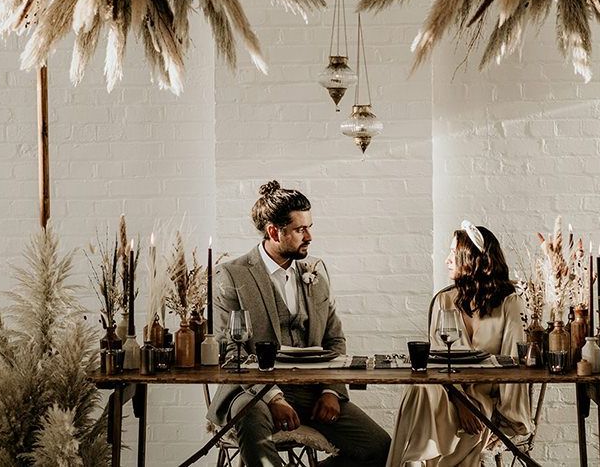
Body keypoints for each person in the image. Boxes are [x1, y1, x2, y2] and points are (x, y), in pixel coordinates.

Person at [208, 180, 391, 467]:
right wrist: (274, 397)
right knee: (249, 416)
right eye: (300, 229)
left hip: (313, 390)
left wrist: (331, 390)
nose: (310, 236)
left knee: (378, 447)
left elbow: (335, 341)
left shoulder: (315, 270)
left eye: (309, 227)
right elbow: (231, 352)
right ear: (273, 231)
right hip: (251, 389)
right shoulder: (231, 275)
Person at [386, 222, 532, 467]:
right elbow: (433, 363)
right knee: (420, 387)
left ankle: (413, 462)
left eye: (453, 254)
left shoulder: (509, 303)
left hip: (485, 402)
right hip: (447, 395)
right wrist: (460, 402)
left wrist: (507, 419)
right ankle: (415, 460)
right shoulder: (445, 301)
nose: (447, 260)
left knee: (421, 392)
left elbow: (513, 366)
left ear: (472, 259)